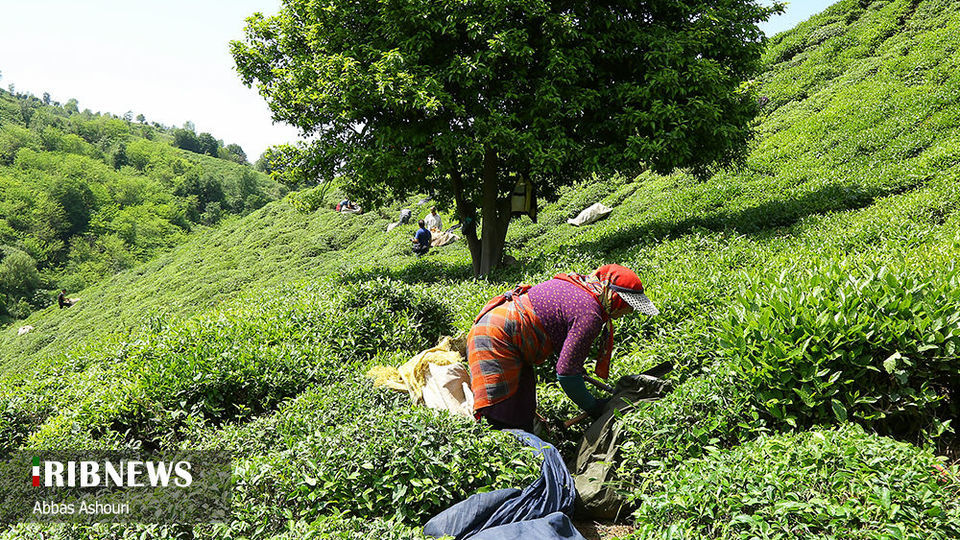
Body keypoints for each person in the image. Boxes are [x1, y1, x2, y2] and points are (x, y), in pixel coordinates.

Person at [466, 264, 659, 431]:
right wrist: (593, 407)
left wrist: (576, 368)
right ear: (615, 298)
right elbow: (566, 374)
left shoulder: (579, 285)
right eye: (629, 305)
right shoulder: (590, 315)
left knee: (523, 403)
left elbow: (555, 326)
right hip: (495, 338)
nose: (630, 311)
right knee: (504, 413)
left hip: (500, 329)